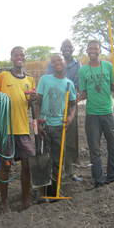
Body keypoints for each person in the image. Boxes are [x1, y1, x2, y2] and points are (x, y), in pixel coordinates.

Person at [0, 46, 36, 212]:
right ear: (11, 57)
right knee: (6, 166)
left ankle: (26, 198)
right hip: (6, 130)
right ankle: (4, 202)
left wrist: (34, 102)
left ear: (24, 58)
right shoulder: (3, 76)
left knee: (27, 165)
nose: (19, 57)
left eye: (22, 55)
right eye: (16, 54)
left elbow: (31, 104)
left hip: (23, 129)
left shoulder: (30, 80)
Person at [77, 40, 114, 188]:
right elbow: (84, 93)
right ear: (87, 51)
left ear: (99, 50)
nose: (92, 50)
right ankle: (98, 178)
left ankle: (112, 175)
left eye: (95, 48)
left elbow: (113, 86)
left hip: (108, 112)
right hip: (92, 115)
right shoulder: (83, 71)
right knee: (94, 148)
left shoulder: (108, 66)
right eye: (90, 48)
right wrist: (73, 101)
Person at [37, 54, 77, 196]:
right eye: (54, 61)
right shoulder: (45, 80)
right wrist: (38, 123)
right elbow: (38, 101)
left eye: (59, 60)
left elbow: (73, 105)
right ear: (51, 65)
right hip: (45, 126)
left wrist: (70, 118)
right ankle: (42, 192)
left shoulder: (69, 84)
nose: (57, 63)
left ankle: (55, 190)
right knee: (43, 159)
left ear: (65, 62)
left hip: (60, 127)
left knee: (57, 159)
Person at [46, 39, 82, 181]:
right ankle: (55, 173)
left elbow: (78, 85)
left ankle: (70, 171)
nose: (67, 49)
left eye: (69, 47)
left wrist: (74, 96)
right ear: (61, 49)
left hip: (70, 104)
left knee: (70, 140)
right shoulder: (52, 63)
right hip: (55, 105)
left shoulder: (77, 64)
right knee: (54, 140)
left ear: (73, 49)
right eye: (64, 47)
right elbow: (49, 82)